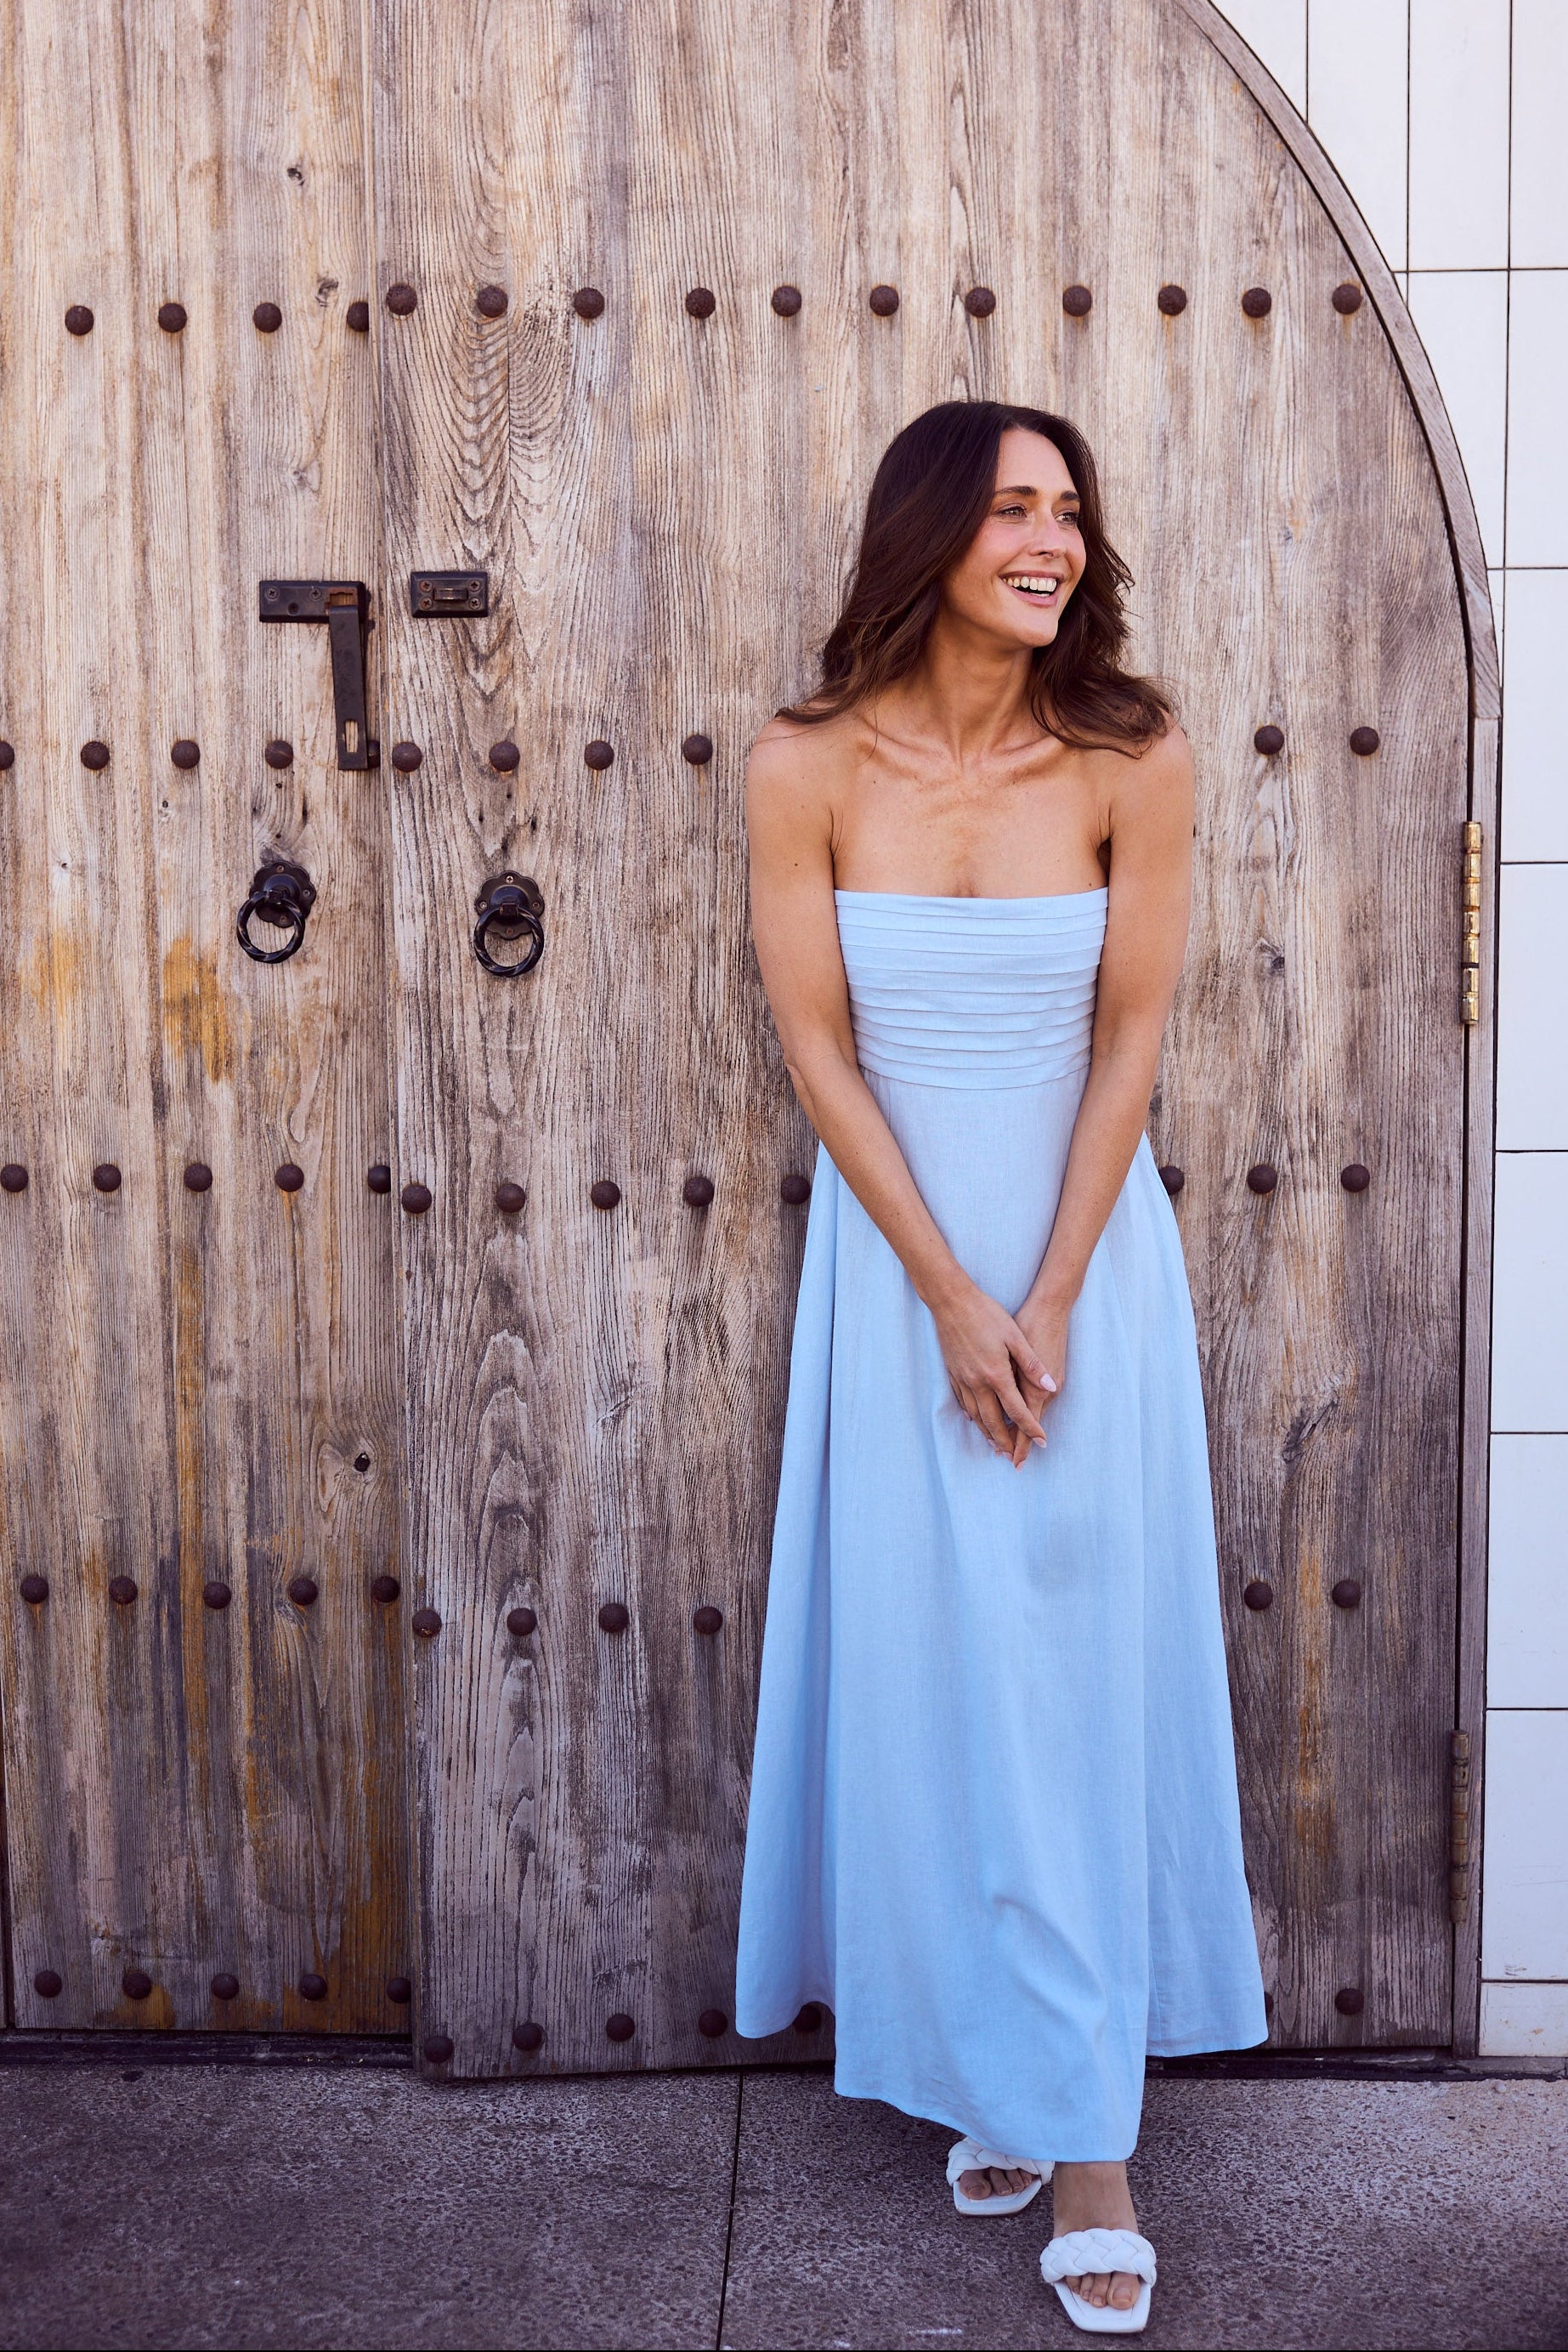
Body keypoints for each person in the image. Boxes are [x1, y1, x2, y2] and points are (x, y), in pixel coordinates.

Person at [734, 400, 1266, 2333]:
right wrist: (950, 1298)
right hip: (900, 1280)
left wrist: (1039, 1292)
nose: (1048, 540)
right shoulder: (802, 765)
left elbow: (1127, 1046)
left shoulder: (1128, 755)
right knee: (933, 1666)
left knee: (1057, 1669)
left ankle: (1088, 2139)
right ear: (930, 534)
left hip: (1082, 1268)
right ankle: (989, 2060)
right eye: (1012, 509)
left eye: (1066, 511)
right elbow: (818, 1052)